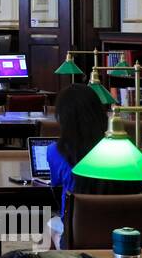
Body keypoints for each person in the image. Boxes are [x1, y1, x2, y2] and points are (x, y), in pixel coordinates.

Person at [44, 83, 119, 247]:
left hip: (76, 237)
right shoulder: (120, 150)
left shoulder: (55, 151)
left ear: (62, 118)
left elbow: (56, 186)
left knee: (50, 226)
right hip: (119, 236)